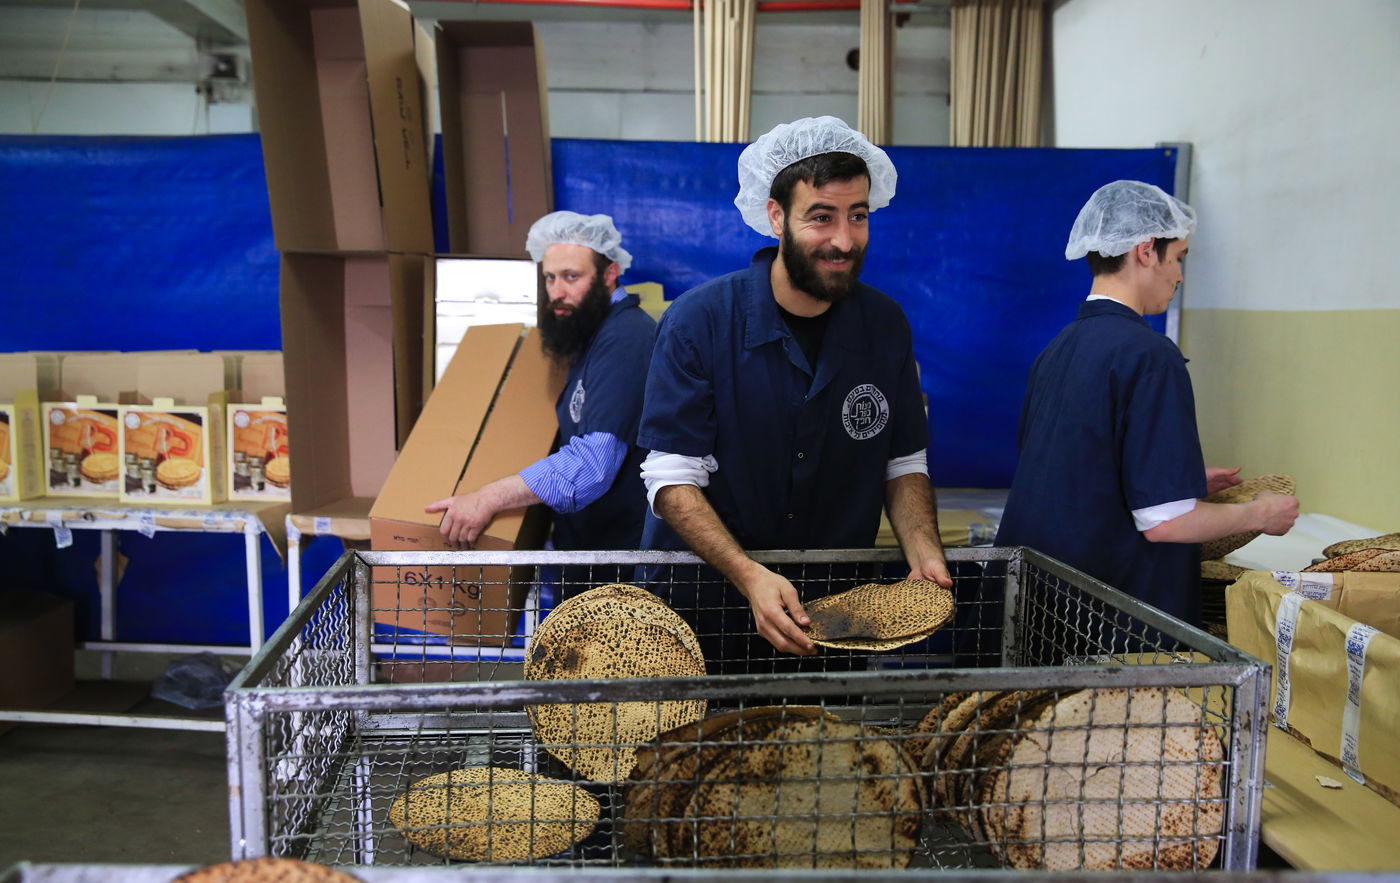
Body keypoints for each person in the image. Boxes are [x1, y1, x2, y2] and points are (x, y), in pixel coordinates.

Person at [637, 116, 952, 666]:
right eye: (821, 218)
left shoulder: (884, 326)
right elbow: (670, 479)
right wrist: (748, 575)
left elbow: (903, 462)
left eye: (858, 216)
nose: (844, 240)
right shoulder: (701, 322)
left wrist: (923, 552)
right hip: (706, 611)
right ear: (776, 216)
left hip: (834, 612)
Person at [995, 180, 1299, 625]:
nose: (1178, 276)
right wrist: (1260, 513)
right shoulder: (1151, 355)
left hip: (1040, 602)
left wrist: (1179, 479)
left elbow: (1077, 470)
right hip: (1109, 618)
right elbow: (1166, 524)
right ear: (1144, 251)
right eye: (1177, 259)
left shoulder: (1058, 348)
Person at [427, 211, 656, 555]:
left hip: (620, 558)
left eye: (571, 276)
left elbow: (592, 466)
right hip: (591, 546)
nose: (557, 292)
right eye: (550, 278)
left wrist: (487, 498)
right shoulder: (591, 332)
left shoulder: (626, 339)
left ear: (610, 274)